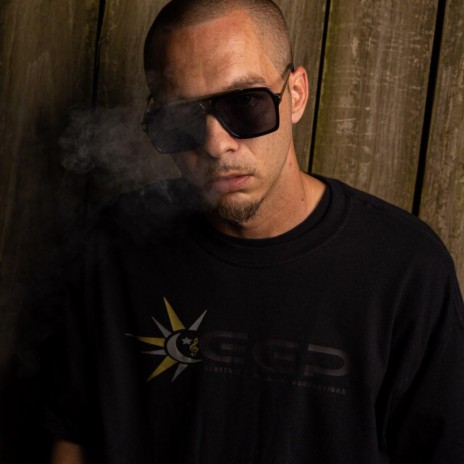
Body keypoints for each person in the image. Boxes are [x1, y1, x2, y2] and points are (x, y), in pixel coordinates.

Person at [48, 0, 464, 463]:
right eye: (181, 118)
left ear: (296, 94)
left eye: (245, 103)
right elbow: (72, 432)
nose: (215, 144)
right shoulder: (117, 240)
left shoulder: (405, 268)